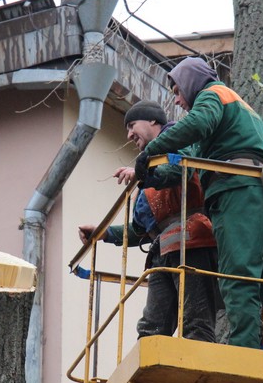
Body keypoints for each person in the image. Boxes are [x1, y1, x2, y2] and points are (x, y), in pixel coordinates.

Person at [137, 56, 263, 350]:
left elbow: (196, 124)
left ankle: (244, 350)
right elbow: (187, 159)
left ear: (191, 81)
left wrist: (150, 152)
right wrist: (154, 177)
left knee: (238, 274)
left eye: (177, 92)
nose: (177, 101)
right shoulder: (237, 107)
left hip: (236, 190)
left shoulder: (212, 95)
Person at [79, 100, 219, 342]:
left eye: (132, 124)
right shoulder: (149, 163)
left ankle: (196, 371)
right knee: (151, 328)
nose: (129, 134)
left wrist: (143, 172)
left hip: (193, 244)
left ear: (153, 121)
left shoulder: (179, 140)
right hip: (162, 252)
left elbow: (179, 172)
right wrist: (103, 233)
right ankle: (153, 377)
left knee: (196, 322)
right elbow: (141, 229)